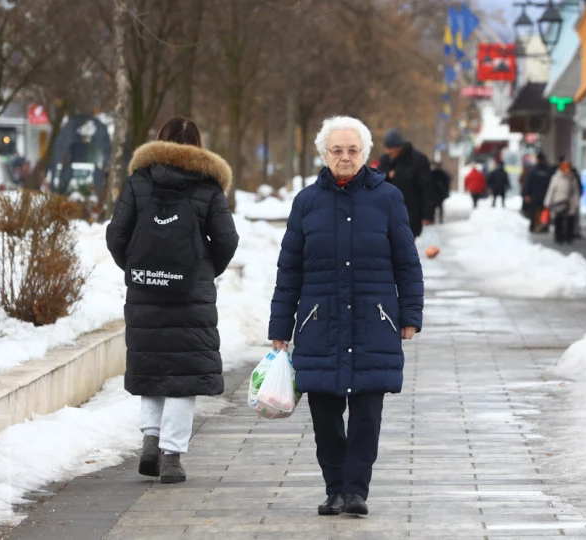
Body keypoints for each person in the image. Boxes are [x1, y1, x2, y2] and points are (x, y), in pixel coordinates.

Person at [268, 116, 424, 517]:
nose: (345, 156)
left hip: (375, 324)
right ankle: (334, 488)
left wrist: (410, 314)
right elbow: (290, 271)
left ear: (365, 154)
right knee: (324, 418)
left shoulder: (388, 198)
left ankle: (355, 491)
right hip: (320, 324)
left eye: (352, 150)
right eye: (336, 150)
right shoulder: (306, 202)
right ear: (323, 154)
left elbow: (407, 262)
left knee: (367, 417)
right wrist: (280, 328)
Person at [105, 116, 239, 484]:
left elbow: (117, 233)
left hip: (146, 288)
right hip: (190, 294)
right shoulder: (209, 187)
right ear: (198, 145)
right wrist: (204, 269)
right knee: (183, 375)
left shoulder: (139, 181)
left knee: (152, 367)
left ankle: (150, 440)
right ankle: (171, 457)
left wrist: (136, 267)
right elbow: (227, 240)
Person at [377, 128, 435, 237]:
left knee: (404, 247)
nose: (388, 151)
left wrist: (428, 215)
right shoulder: (385, 160)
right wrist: (388, 174)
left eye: (391, 148)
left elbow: (427, 189)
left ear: (400, 146)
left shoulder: (419, 160)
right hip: (388, 214)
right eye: (386, 148)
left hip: (411, 214)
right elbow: (377, 182)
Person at [544, 160, 580, 245]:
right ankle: (559, 237)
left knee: (570, 221)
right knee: (558, 220)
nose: (567, 170)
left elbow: (575, 192)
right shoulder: (556, 178)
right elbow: (551, 190)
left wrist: (576, 203)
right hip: (558, 202)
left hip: (569, 203)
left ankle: (568, 237)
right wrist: (547, 202)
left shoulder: (572, 178)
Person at [522, 152, 554, 232]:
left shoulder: (533, 170)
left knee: (534, 212)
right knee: (544, 212)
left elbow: (528, 183)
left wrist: (526, 194)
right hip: (545, 195)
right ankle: (543, 227)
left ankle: (535, 226)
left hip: (535, 196)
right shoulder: (548, 170)